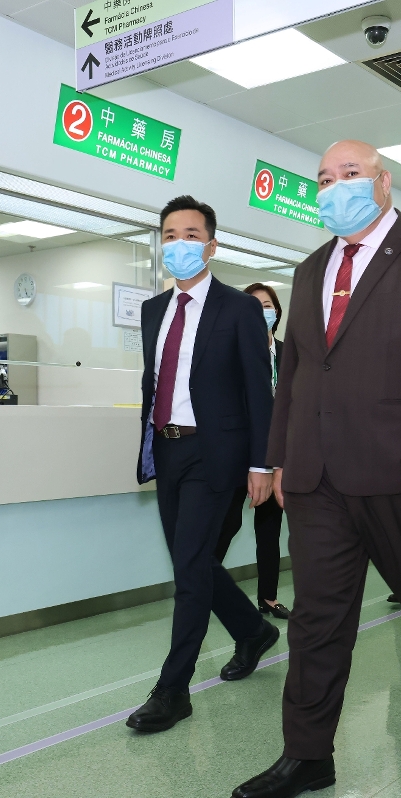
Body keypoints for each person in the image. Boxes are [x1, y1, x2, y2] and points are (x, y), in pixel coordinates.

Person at [230, 140, 401, 798]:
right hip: (318, 479)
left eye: (349, 174)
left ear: (383, 182)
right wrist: (278, 456)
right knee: (316, 619)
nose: (334, 186)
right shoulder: (310, 269)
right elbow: (295, 371)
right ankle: (307, 754)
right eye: (323, 178)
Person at [127, 196, 280, 733]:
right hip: (167, 449)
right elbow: (154, 383)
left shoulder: (238, 309)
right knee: (192, 562)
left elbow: (259, 392)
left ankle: (173, 690)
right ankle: (253, 631)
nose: (179, 244)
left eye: (191, 235)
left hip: (215, 452)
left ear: (211, 246)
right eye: (170, 235)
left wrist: (263, 464)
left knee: (190, 570)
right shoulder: (153, 310)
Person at [214, 283, 291, 618]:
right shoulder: (234, 351)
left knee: (270, 529)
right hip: (241, 452)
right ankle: (203, 587)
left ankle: (268, 597)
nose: (262, 311)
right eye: (254, 304)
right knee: (227, 523)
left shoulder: (289, 354)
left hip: (277, 453)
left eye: (267, 304)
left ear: (277, 311)